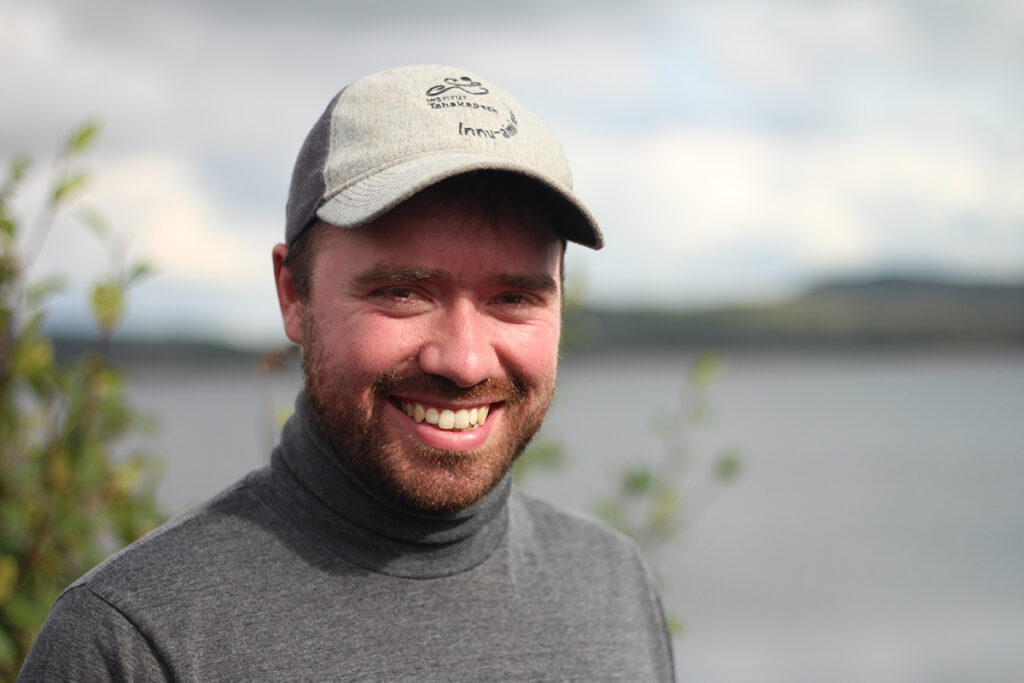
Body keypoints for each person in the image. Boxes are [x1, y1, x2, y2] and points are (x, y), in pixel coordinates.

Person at [20, 65, 675, 681]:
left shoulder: (614, 585)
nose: (466, 360)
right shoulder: (133, 642)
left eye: (515, 298)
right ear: (292, 293)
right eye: (402, 291)